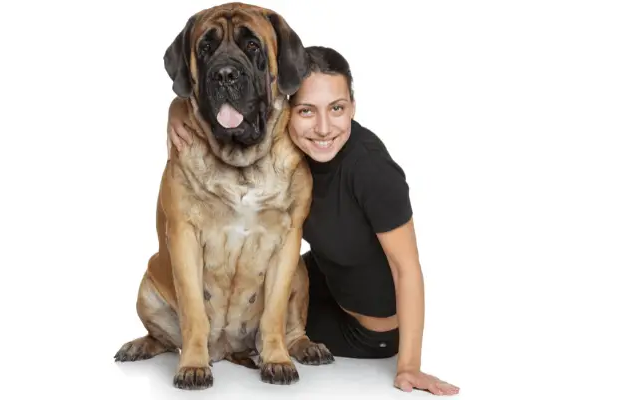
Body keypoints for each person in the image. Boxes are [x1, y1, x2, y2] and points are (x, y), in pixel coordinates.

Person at [167, 46, 460, 396]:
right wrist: (176, 109)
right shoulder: (288, 158)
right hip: (325, 287)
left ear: (353, 106)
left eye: (337, 109)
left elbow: (407, 269)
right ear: (284, 110)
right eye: (307, 111)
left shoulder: (371, 170)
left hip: (365, 331)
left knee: (239, 332)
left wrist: (410, 365)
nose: (323, 129)